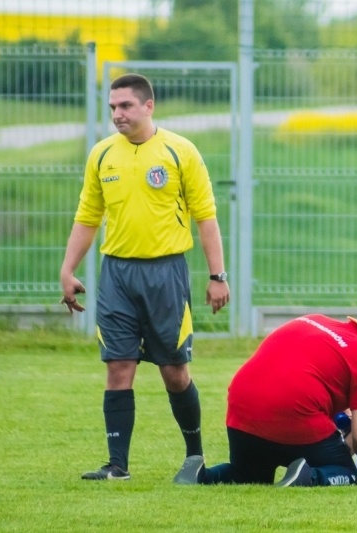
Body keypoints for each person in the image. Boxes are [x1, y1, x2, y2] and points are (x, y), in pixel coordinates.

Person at [59, 73, 230, 481]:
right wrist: (68, 269)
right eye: (113, 107)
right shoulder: (102, 155)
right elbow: (87, 217)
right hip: (116, 273)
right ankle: (117, 465)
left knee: (174, 371)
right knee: (118, 366)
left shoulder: (179, 151)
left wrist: (217, 275)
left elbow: (206, 217)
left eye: (125, 106)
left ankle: (194, 456)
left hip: (165, 273)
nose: (117, 114)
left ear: (148, 106)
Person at [171, 310, 357, 487]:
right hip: (291, 414)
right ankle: (307, 476)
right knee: (345, 472)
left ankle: (201, 475)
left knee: (248, 476)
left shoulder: (312, 319)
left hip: (241, 408)